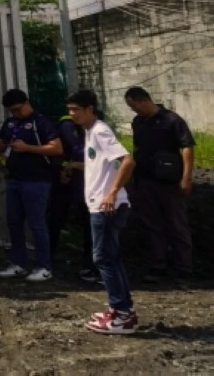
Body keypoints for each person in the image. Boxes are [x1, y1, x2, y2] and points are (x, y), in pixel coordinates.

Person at [68, 90, 139, 334]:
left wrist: (111, 192)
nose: (72, 114)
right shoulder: (90, 132)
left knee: (103, 258)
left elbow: (127, 160)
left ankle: (121, 315)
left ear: (90, 109)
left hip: (107, 206)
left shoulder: (99, 130)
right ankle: (122, 309)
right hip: (101, 204)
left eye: (76, 109)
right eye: (70, 109)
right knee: (111, 257)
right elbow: (107, 163)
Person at [0, 88, 62, 282]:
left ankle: (44, 266)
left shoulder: (40, 121)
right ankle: (18, 263)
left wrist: (28, 148)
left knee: (37, 224)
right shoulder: (11, 123)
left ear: (26, 102)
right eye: (11, 111)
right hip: (14, 179)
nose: (15, 114)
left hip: (37, 180)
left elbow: (56, 148)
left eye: (17, 109)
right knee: (14, 222)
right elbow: (0, 147)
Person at [125, 85, 195, 282]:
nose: (134, 110)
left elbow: (187, 148)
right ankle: (158, 265)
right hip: (146, 180)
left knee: (176, 223)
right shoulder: (138, 122)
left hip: (169, 181)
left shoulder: (171, 120)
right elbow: (137, 149)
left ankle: (184, 267)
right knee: (152, 224)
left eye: (134, 106)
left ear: (144, 100)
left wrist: (186, 178)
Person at [50, 98, 96, 280]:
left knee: (88, 222)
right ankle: (49, 257)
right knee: (58, 217)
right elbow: (77, 149)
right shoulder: (67, 125)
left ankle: (90, 263)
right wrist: (71, 166)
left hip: (84, 178)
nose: (73, 114)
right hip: (68, 177)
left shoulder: (96, 128)